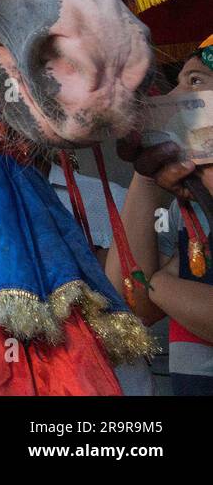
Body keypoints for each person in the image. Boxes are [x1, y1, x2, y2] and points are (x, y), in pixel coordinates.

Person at [106, 35, 213, 394]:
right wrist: (146, 174)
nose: (168, 100)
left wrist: (161, 284)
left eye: (196, 81)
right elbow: (131, 305)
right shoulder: (187, 207)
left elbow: (149, 288)